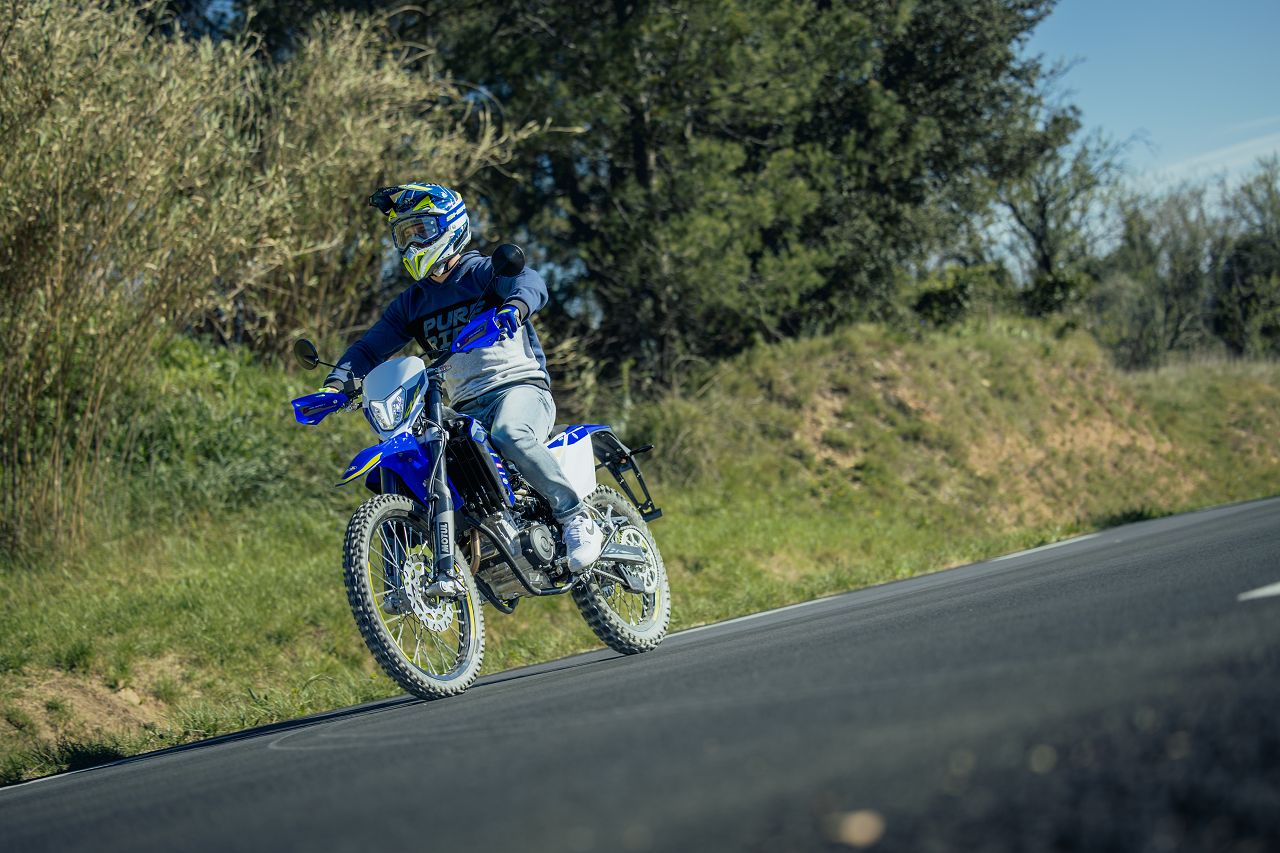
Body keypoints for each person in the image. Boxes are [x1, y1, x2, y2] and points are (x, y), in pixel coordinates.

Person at [321, 182, 603, 588]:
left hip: (520, 388)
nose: (412, 243)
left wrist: (514, 308)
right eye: (404, 235)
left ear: (450, 226)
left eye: (421, 230)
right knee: (425, 453)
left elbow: (530, 282)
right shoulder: (412, 303)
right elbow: (368, 348)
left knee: (510, 432)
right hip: (466, 407)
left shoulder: (484, 273)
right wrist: (335, 386)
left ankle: (575, 516)